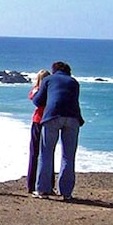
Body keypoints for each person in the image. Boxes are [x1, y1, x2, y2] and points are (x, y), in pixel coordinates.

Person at [31, 61, 84, 200]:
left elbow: (37, 101)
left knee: (46, 153)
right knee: (68, 155)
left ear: (54, 70)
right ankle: (66, 193)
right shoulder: (74, 82)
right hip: (73, 118)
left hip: (52, 117)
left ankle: (42, 190)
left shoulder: (48, 80)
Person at [26, 69, 51, 194]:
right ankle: (48, 184)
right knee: (47, 153)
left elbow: (32, 96)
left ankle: (31, 184)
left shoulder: (37, 90)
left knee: (34, 152)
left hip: (38, 120)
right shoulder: (51, 91)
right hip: (48, 120)